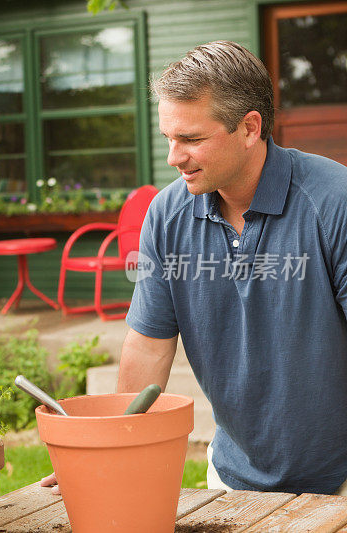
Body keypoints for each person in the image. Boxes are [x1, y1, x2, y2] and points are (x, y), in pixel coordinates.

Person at [44, 40, 347, 496]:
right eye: (169, 137)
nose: (173, 157)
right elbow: (148, 347)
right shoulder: (167, 215)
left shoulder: (333, 201)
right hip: (231, 479)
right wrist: (107, 450)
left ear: (249, 128)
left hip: (339, 482)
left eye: (191, 139)